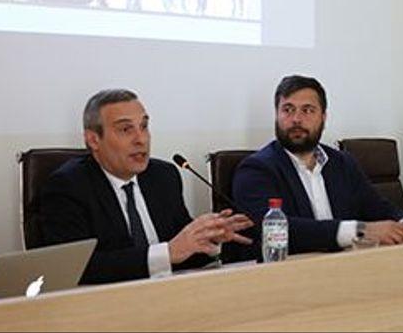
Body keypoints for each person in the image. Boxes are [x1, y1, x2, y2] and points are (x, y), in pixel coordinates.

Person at [40, 89, 253, 285]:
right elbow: (80, 269)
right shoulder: (68, 187)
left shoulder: (163, 177)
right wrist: (167, 253)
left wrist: (208, 239)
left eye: (144, 126)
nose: (141, 139)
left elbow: (183, 254)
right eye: (126, 129)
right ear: (93, 140)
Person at [232, 76, 403, 259]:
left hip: (350, 267)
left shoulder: (343, 163)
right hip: (289, 274)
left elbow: (378, 207)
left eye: (307, 110)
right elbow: (280, 230)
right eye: (288, 110)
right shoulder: (256, 169)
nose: (296, 119)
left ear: (323, 117)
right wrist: (361, 231)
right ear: (277, 115)